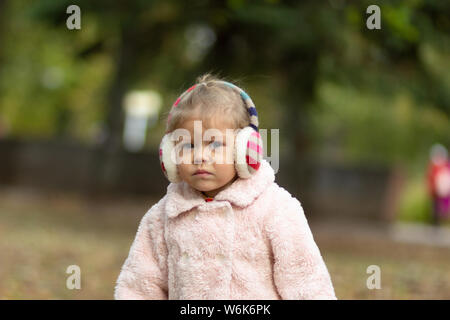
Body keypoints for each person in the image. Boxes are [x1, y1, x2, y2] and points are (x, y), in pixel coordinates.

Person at [114, 74, 336, 300]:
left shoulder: (276, 210)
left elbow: (307, 282)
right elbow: (140, 285)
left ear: (245, 150)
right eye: (188, 145)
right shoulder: (162, 217)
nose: (200, 156)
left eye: (216, 144)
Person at [427, 144, 450, 225]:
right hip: (435, 191)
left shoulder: (444, 166)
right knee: (435, 208)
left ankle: (439, 223)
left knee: (441, 208)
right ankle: (436, 224)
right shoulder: (434, 166)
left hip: (442, 192)